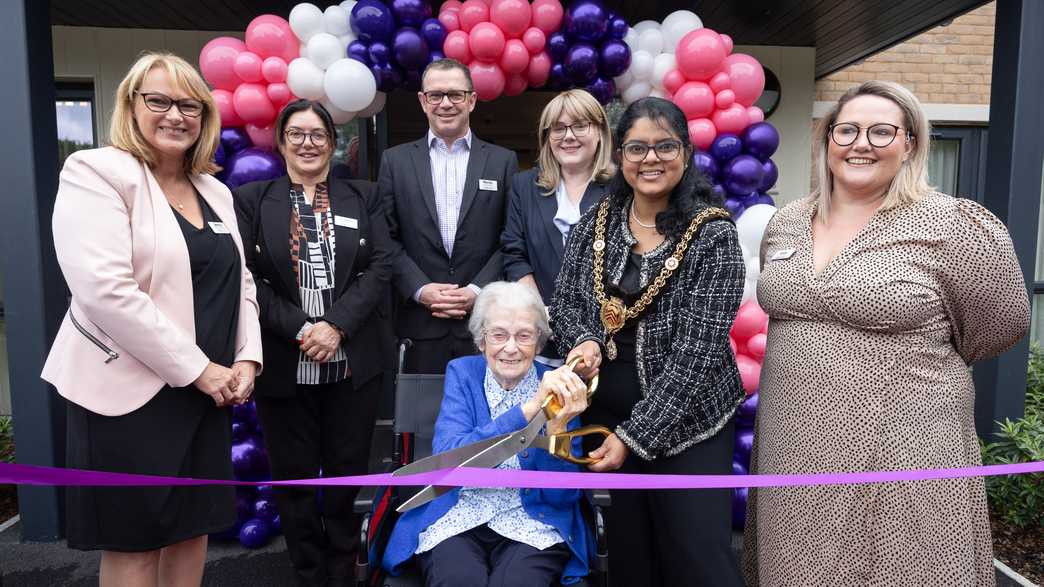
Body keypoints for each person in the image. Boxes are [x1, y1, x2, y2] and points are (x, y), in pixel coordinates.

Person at [743, 80, 1030, 586]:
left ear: (911, 143)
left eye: (881, 132)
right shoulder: (787, 221)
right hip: (794, 447)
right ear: (827, 139)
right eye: (847, 130)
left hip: (904, 450)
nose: (860, 144)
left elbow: (1000, 324)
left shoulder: (952, 225)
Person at [42, 52, 262, 586]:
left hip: (205, 392)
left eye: (189, 104)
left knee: (193, 531)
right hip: (128, 394)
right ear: (131, 105)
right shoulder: (96, 171)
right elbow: (105, 291)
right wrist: (199, 369)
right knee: (136, 545)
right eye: (159, 101)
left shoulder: (217, 191)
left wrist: (247, 358)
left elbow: (243, 282)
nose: (175, 115)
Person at [550, 97, 746, 586]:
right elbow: (567, 304)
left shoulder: (713, 236)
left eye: (665, 146)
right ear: (620, 156)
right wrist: (585, 341)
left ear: (685, 153)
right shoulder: (594, 224)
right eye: (637, 147)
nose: (650, 159)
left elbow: (696, 356)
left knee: (696, 557)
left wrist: (634, 438)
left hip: (690, 424)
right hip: (605, 420)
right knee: (627, 561)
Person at [234, 99, 395, 586]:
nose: (308, 143)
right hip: (286, 362)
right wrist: (303, 329)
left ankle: (344, 570)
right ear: (282, 141)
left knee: (347, 477)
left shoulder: (362, 196)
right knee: (296, 481)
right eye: (297, 134)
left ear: (333, 142)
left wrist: (336, 326)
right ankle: (308, 573)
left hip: (351, 366)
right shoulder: (253, 199)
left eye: (318, 135)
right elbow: (248, 277)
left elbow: (381, 265)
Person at [382, 281, 592, 587]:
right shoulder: (463, 374)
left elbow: (562, 497)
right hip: (459, 513)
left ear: (539, 342)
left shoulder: (561, 389)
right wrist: (528, 410)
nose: (510, 347)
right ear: (482, 340)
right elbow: (448, 458)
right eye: (498, 334)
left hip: (531, 521)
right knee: (458, 580)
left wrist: (558, 428)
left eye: (523, 335)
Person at [379, 58, 519, 374]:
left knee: (487, 422)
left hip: (486, 327)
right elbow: (385, 237)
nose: (446, 104)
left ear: (471, 100)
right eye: (436, 95)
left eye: (455, 95)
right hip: (419, 327)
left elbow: (511, 238)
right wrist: (419, 288)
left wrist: (476, 291)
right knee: (424, 421)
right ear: (422, 101)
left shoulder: (502, 162)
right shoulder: (395, 162)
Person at [501, 89, 613, 365]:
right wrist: (541, 310)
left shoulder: (621, 189)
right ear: (547, 137)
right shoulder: (524, 186)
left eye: (580, 125)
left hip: (606, 338)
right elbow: (514, 253)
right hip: (542, 338)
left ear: (599, 132)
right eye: (559, 128)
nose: (569, 136)